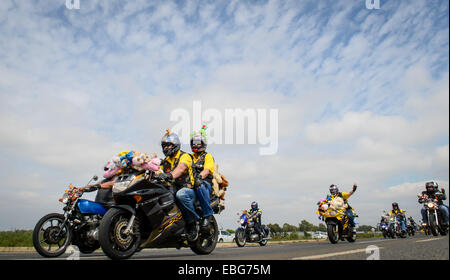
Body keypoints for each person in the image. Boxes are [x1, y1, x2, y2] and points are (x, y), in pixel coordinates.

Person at [153, 130, 199, 242]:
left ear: (175, 145)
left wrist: (169, 175)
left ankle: (192, 224)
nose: (166, 148)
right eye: (164, 146)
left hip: (188, 190)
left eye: (168, 145)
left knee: (181, 195)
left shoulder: (185, 156)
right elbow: (158, 171)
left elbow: (181, 168)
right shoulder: (166, 161)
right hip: (171, 188)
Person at [190, 126, 215, 229]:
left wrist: (200, 177)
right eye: (194, 143)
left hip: (205, 184)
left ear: (203, 143)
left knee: (199, 184)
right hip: (191, 184)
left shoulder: (207, 156)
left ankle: (207, 214)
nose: (196, 145)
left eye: (198, 142)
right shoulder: (189, 157)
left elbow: (207, 170)